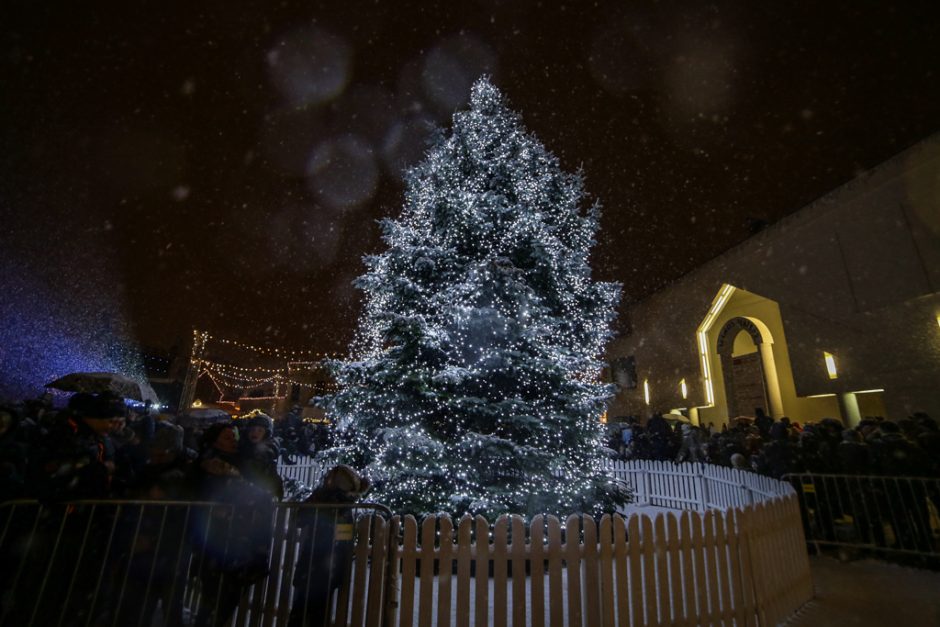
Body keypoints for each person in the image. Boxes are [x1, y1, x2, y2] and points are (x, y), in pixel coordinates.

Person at [289, 465, 371, 627]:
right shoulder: (340, 504)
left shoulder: (336, 504)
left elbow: (302, 518)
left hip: (318, 564)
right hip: (322, 565)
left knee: (304, 612)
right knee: (311, 612)